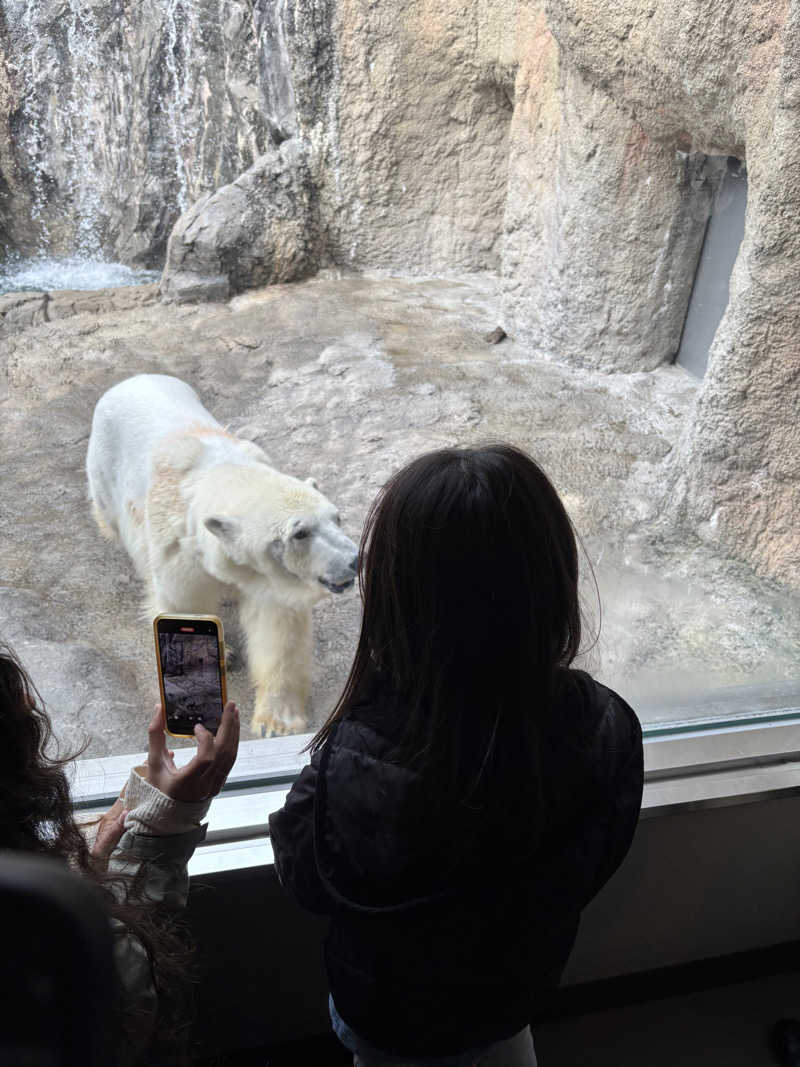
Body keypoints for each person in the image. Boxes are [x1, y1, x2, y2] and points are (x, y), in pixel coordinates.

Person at [269, 444, 644, 1067]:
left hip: (389, 1020)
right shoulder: (604, 724)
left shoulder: (362, 753)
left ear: (397, 599)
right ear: (552, 579)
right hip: (509, 997)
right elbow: (596, 858)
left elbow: (304, 876)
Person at [0, 642, 239, 1065]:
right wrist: (163, 825)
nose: (32, 703)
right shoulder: (40, 942)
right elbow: (125, 990)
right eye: (15, 710)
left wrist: (90, 866)